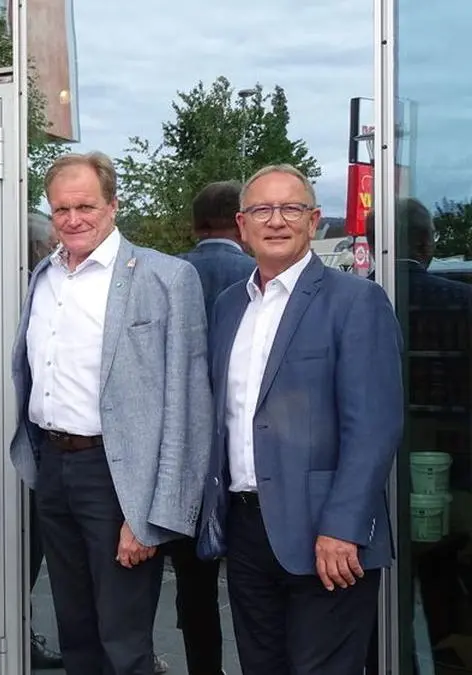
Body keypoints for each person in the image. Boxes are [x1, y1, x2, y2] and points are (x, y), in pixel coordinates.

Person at [9, 151, 212, 675]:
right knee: (74, 630)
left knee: (123, 640)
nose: (73, 219)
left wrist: (150, 516)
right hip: (54, 469)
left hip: (117, 478)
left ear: (114, 205)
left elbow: (188, 409)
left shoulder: (167, 278)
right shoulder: (44, 276)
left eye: (86, 206)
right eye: (61, 209)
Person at [197, 164, 403, 674]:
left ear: (313, 221)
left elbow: (374, 427)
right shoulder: (228, 307)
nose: (276, 221)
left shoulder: (356, 301)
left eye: (290, 208)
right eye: (262, 210)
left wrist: (342, 526)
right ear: (242, 226)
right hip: (247, 530)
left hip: (326, 536)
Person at [165, 180, 256, 675]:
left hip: (183, 458)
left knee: (193, 583)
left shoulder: (170, 275)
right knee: (253, 581)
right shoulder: (259, 275)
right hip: (241, 458)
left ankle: (205, 667)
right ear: (241, 221)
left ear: (196, 225)